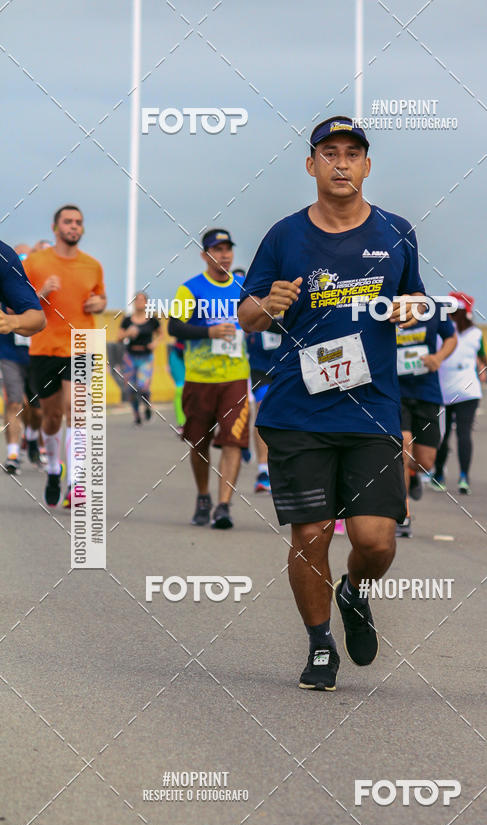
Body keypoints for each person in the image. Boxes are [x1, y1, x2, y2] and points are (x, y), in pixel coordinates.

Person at [238, 115, 426, 691]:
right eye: (329, 153)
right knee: (311, 533)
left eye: (352, 154)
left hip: (371, 409)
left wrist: (412, 309)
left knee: (374, 540)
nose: (341, 163)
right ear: (311, 163)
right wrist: (269, 303)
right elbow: (245, 317)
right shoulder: (284, 236)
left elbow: (417, 299)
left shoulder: (396, 232)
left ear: (367, 165)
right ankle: (320, 644)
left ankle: (354, 593)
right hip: (298, 411)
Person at [23, 205, 106, 507]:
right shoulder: (35, 262)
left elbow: (100, 297)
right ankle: (52, 470)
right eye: (68, 222)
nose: (74, 226)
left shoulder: (92, 265)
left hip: (82, 344)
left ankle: (76, 482)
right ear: (55, 227)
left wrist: (98, 304)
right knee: (52, 417)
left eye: (78, 223)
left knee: (77, 410)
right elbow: (22, 306)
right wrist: (42, 292)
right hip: (44, 347)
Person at [168, 228, 249, 529]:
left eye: (228, 249)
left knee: (234, 441)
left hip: (235, 377)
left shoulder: (244, 287)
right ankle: (204, 495)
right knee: (199, 443)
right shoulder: (190, 290)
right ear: (205, 255)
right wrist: (209, 331)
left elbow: (260, 319)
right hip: (200, 378)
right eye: (217, 249)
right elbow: (174, 328)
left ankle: (224, 505)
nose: (224, 254)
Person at [396, 297, 457, 536]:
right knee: (403, 444)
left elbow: (451, 338)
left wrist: (439, 358)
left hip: (426, 391)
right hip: (395, 390)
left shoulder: (434, 308)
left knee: (425, 461)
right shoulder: (383, 307)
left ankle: (412, 474)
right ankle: (403, 513)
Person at [433, 292, 487, 495]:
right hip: (469, 390)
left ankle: (439, 476)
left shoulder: (442, 332)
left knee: (443, 434)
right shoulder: (475, 333)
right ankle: (464, 477)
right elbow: (483, 361)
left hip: (444, 390)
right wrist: (483, 372)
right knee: (464, 434)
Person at [0, 240, 46, 473]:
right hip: (9, 352)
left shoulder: (47, 279)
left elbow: (39, 317)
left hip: (39, 352)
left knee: (37, 410)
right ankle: (13, 455)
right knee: (15, 402)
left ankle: (32, 437)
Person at [245, 327, 282, 492]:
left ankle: (283, 467)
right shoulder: (257, 299)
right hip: (260, 366)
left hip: (288, 364)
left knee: (285, 415)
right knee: (262, 411)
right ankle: (263, 471)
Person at [117, 291, 161, 425]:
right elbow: (118, 338)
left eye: (142, 300)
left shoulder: (152, 320)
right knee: (130, 388)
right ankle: (136, 415)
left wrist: (155, 343)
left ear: (147, 303)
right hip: (130, 356)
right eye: (137, 300)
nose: (139, 302)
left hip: (146, 356)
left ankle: (147, 406)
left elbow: (161, 334)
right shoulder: (127, 320)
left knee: (143, 387)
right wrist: (127, 334)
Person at [167, 338, 186, 434]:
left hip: (199, 355)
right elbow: (173, 327)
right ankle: (181, 423)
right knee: (180, 390)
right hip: (178, 355)